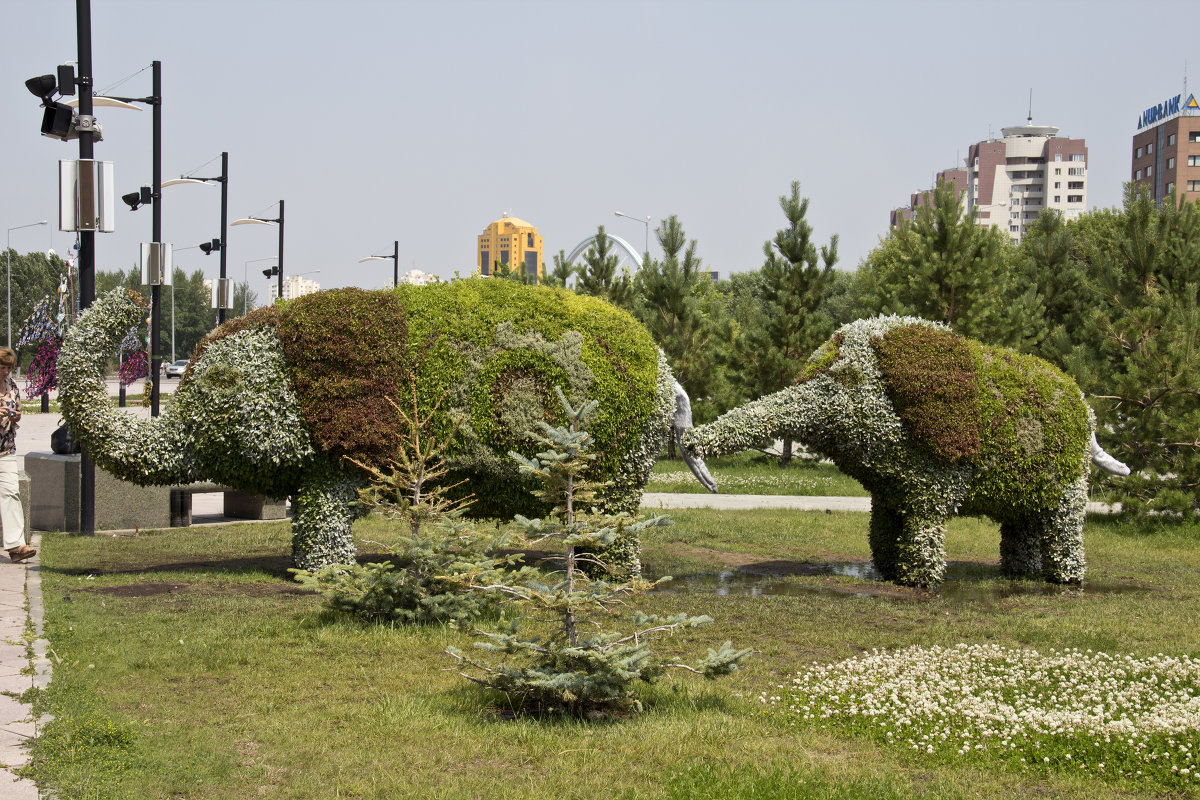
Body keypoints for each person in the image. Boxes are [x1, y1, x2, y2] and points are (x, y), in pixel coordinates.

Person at [0, 347, 34, 563]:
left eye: (8, 368)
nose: (5, 372)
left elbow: (17, 410)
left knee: (11, 493)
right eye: (2, 367)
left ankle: (16, 547)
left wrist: (16, 416)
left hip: (6, 449)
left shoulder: (12, 386)